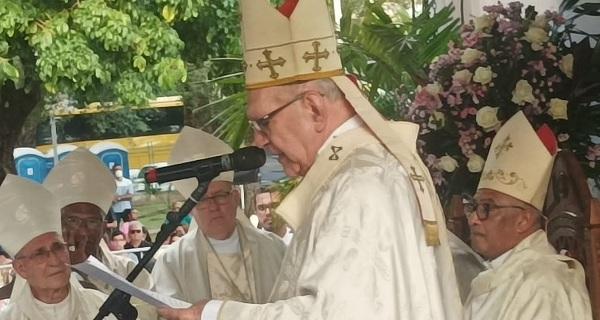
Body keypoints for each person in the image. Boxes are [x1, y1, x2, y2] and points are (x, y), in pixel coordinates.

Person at [157, 0, 462, 319]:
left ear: (314, 108)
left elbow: (332, 314)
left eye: (264, 121)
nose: (259, 141)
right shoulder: (365, 168)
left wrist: (213, 314)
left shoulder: (358, 185)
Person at [462, 112, 592, 320]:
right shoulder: (500, 272)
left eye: (487, 207)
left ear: (524, 220)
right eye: (473, 206)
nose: (473, 219)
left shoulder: (543, 283)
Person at [151, 126, 286, 306]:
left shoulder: (273, 248)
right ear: (190, 208)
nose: (213, 206)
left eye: (220, 195)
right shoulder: (173, 262)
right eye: (203, 199)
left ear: (236, 198)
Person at [42, 147, 155, 318]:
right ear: (57, 225)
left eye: (92, 222)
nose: (81, 231)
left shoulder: (131, 272)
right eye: (72, 221)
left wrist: (86, 269)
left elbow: (148, 315)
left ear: (103, 228)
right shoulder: (41, 272)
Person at [0, 174, 116, 319]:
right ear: (21, 268)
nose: (55, 260)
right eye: (40, 253)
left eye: (58, 247)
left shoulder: (102, 306)